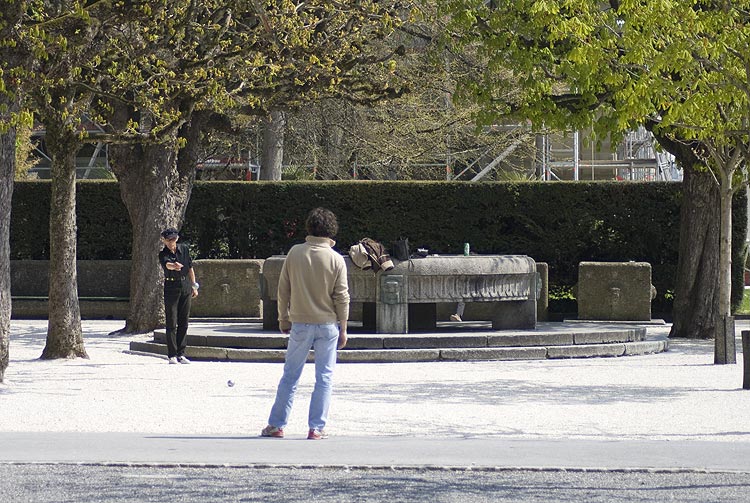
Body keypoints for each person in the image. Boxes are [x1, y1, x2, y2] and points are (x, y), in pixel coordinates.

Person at [261, 207, 350, 440]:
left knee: (290, 375)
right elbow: (342, 296)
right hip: (328, 323)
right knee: (324, 377)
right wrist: (344, 327)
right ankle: (316, 427)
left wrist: (283, 317)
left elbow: (283, 289)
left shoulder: (295, 252)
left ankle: (277, 425)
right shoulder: (336, 259)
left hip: (300, 322)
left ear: (309, 227)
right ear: (331, 230)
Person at [159, 227, 199, 364]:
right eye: (169, 240)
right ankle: (172, 354)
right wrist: (174, 266)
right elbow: (167, 265)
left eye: (174, 239)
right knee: (171, 321)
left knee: (184, 321)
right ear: (164, 240)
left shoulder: (184, 249)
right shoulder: (163, 253)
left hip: (185, 286)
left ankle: (181, 353)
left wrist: (194, 285)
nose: (172, 242)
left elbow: (190, 267)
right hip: (171, 287)